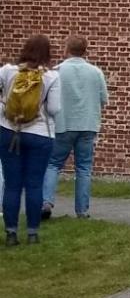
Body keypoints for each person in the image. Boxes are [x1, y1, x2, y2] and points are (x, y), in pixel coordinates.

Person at [2, 36, 63, 246]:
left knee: (12, 184)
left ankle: (10, 233)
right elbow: (54, 109)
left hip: (9, 131)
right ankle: (32, 233)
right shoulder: (52, 76)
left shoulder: (8, 71)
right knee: (34, 184)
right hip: (40, 134)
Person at [42, 37, 107, 220]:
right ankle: (82, 211)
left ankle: (46, 201)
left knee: (53, 164)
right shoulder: (96, 72)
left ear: (66, 49)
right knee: (84, 168)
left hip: (63, 124)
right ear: (86, 50)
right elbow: (103, 99)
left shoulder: (57, 71)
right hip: (87, 124)